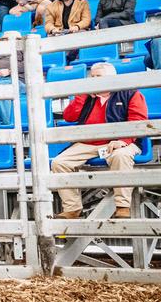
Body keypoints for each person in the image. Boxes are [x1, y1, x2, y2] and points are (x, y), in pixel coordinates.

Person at [51, 63, 148, 220]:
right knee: (59, 162)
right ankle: (72, 209)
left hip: (121, 141)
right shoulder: (86, 96)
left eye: (98, 77)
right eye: (92, 77)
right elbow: (69, 116)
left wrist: (123, 140)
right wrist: (82, 95)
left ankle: (123, 207)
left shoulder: (130, 93)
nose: (94, 80)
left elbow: (138, 121)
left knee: (121, 156)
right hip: (88, 142)